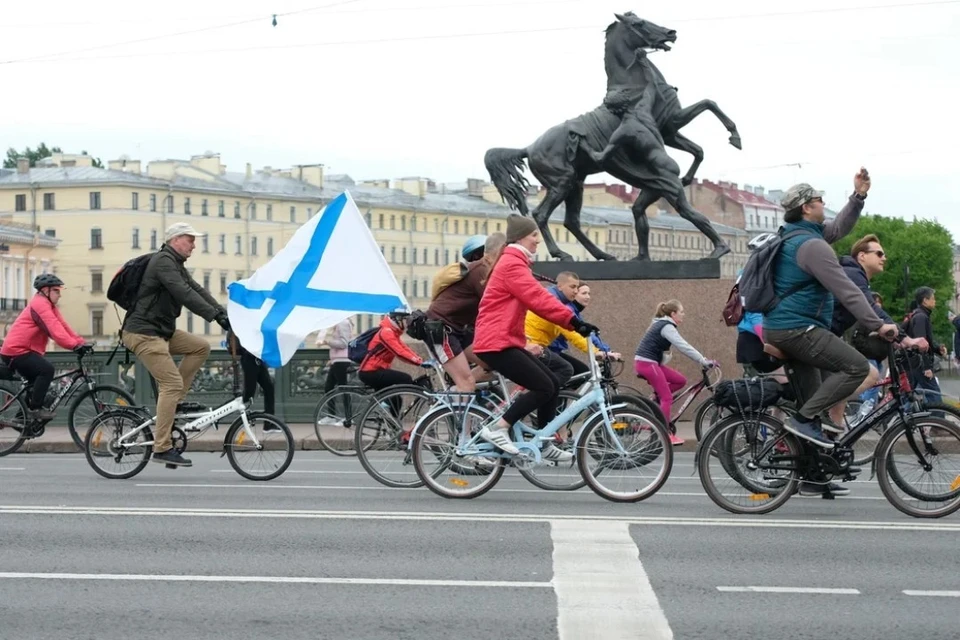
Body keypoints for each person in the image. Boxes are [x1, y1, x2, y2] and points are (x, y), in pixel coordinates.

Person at [763, 169, 899, 462]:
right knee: (857, 369)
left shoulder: (801, 235)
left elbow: (839, 228)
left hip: (787, 328)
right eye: (819, 199)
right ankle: (802, 420)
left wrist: (858, 196)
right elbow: (848, 291)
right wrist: (879, 324)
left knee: (816, 409)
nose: (824, 203)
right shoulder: (812, 247)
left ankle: (813, 475)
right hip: (797, 329)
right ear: (806, 207)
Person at [473, 214, 596, 461]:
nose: (538, 241)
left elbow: (536, 296)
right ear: (520, 237)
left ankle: (544, 440)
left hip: (505, 340)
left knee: (552, 382)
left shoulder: (515, 262)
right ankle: (499, 428)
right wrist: (572, 321)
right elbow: (537, 299)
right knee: (544, 385)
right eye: (534, 235)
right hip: (495, 342)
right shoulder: (511, 264)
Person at [121, 222, 229, 468]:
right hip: (143, 333)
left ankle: (174, 402)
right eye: (190, 240)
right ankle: (162, 447)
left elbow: (196, 289)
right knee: (171, 383)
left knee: (200, 347)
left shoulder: (175, 263)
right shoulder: (163, 262)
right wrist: (213, 316)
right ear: (175, 239)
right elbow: (183, 294)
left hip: (162, 331)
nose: (194, 245)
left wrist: (223, 313)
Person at [0, 274, 91, 425]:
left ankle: (21, 419)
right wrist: (73, 346)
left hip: (21, 350)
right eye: (56, 290)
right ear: (45, 291)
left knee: (37, 384)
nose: (59, 294)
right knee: (46, 370)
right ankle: (35, 410)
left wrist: (80, 342)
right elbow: (54, 330)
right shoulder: (40, 305)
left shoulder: (48, 305)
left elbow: (63, 325)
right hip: (16, 351)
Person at [426, 233, 506, 392]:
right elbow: (495, 306)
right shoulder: (481, 270)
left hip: (457, 329)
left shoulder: (480, 269)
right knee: (467, 383)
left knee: (491, 363)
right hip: (440, 328)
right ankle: (448, 406)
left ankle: (456, 393)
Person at [634, 299, 716, 446]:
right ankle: (665, 434)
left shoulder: (661, 323)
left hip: (651, 363)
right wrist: (703, 360)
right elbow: (683, 346)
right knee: (667, 398)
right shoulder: (667, 326)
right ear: (673, 314)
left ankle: (655, 401)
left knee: (680, 381)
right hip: (647, 363)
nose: (683, 314)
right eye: (681, 312)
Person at [546, 282, 618, 377]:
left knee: (579, 373)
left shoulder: (575, 312)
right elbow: (576, 335)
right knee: (576, 371)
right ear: (574, 295)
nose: (588, 297)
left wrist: (605, 350)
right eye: (584, 293)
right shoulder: (568, 310)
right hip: (547, 349)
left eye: (589, 293)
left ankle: (563, 392)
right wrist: (598, 351)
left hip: (554, 350)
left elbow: (590, 335)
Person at [225, 330, 278, 431]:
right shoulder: (244, 318)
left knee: (269, 388)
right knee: (249, 394)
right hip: (249, 357)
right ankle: (223, 415)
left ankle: (269, 424)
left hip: (257, 357)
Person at [903, 287, 946, 404]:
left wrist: (937, 349)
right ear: (925, 301)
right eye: (933, 298)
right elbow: (920, 343)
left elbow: (926, 341)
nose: (935, 301)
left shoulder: (919, 315)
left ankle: (892, 418)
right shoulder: (921, 317)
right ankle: (938, 421)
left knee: (906, 397)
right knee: (934, 395)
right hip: (919, 364)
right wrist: (926, 367)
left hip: (913, 363)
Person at [317, 318, 354, 426]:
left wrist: (327, 342)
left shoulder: (343, 322)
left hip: (342, 360)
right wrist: (332, 359)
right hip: (337, 360)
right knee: (329, 387)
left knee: (343, 389)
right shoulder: (340, 322)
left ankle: (348, 417)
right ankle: (331, 415)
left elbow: (343, 343)